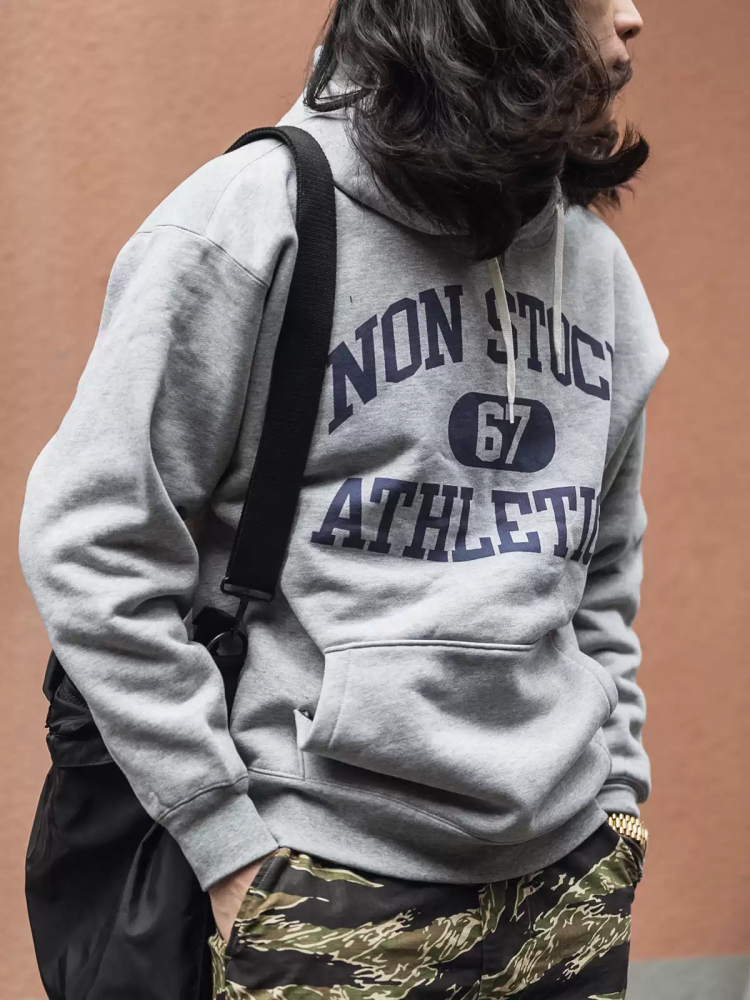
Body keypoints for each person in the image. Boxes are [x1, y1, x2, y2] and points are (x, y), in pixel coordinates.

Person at [19, 0, 668, 996]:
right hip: (321, 881)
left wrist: (618, 794)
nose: (633, 16)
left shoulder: (595, 265)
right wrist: (227, 845)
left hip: (568, 874)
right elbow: (91, 544)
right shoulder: (255, 217)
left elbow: (600, 563)